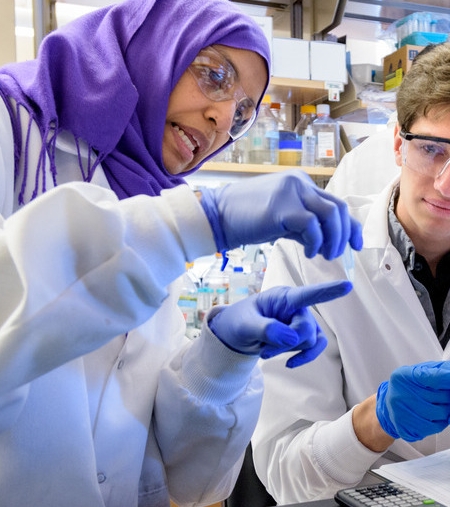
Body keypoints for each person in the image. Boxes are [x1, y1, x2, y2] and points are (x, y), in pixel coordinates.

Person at [0, 0, 362, 505]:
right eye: (213, 75)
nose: (219, 119)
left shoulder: (147, 197)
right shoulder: (12, 132)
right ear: (150, 50)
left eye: (241, 115)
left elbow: (181, 477)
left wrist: (222, 358)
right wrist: (197, 220)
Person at [251, 39, 450, 503]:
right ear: (399, 145)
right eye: (432, 150)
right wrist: (373, 423)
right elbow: (282, 469)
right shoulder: (310, 255)